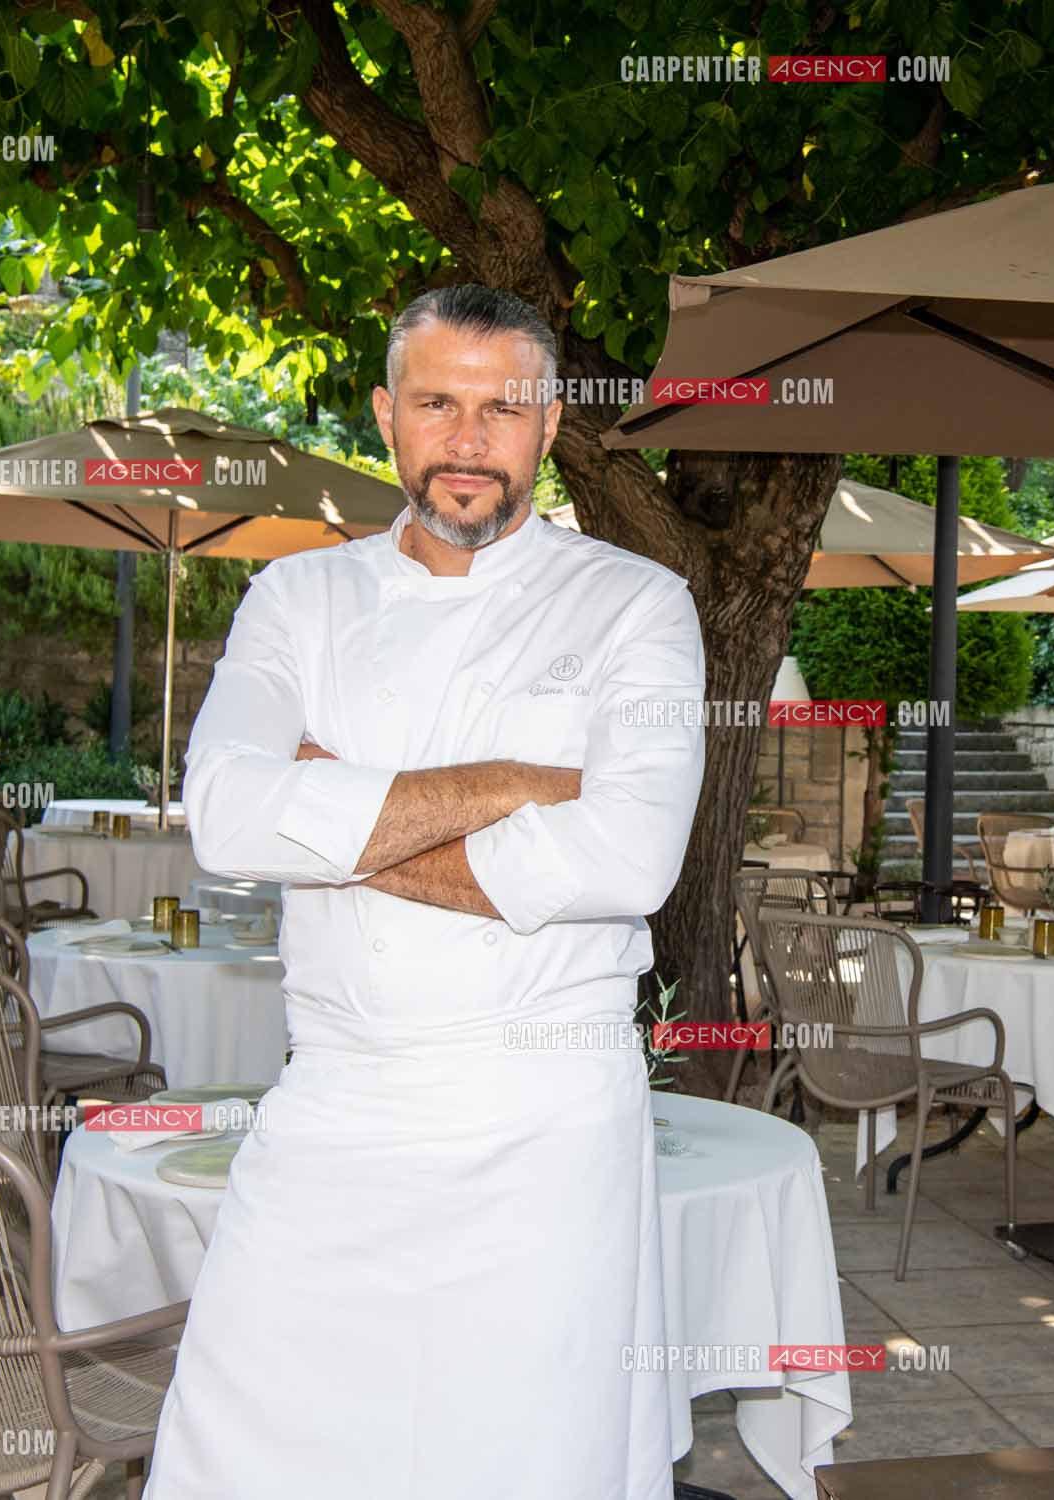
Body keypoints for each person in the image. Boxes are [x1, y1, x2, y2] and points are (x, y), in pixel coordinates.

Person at [145, 284, 703, 1497]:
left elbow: (628, 859)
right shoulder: (297, 598)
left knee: (523, 1462)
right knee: (252, 1454)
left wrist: (330, 813)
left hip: (545, 1123)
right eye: (438, 403)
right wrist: (512, 785)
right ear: (385, 415)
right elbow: (228, 818)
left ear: (551, 424)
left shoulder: (637, 605)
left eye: (503, 408)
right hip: (335, 1104)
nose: (468, 440)